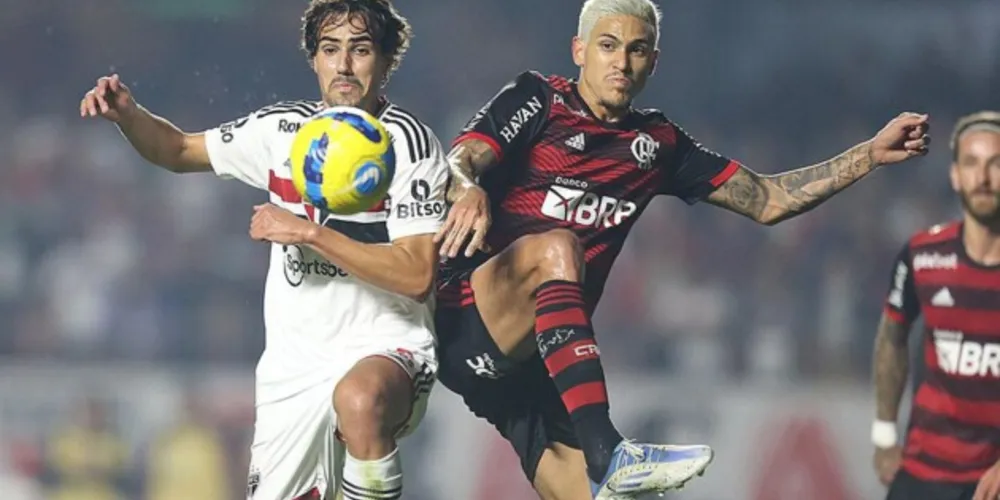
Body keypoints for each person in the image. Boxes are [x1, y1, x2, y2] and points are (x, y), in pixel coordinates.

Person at [432, 0, 931, 498]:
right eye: (607, 46)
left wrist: (869, 154)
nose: (621, 63)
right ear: (579, 50)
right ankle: (609, 450)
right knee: (557, 248)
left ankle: (605, 462)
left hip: (534, 363)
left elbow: (768, 199)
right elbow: (462, 158)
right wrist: (468, 185)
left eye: (637, 50)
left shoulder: (659, 143)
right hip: (470, 318)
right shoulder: (538, 99)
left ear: (654, 61)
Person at [79, 1, 449, 499]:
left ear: (384, 62)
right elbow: (179, 150)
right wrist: (128, 115)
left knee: (360, 400)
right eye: (330, 49)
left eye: (360, 51)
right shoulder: (282, 131)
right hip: (293, 370)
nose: (343, 65)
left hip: (387, 345)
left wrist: (310, 233)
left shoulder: (409, 144)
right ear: (314, 59)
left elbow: (416, 274)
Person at [871, 111, 1000, 500]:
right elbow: (892, 337)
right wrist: (883, 434)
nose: (983, 177)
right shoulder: (923, 256)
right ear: (955, 175)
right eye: (972, 163)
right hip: (923, 475)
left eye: (996, 164)